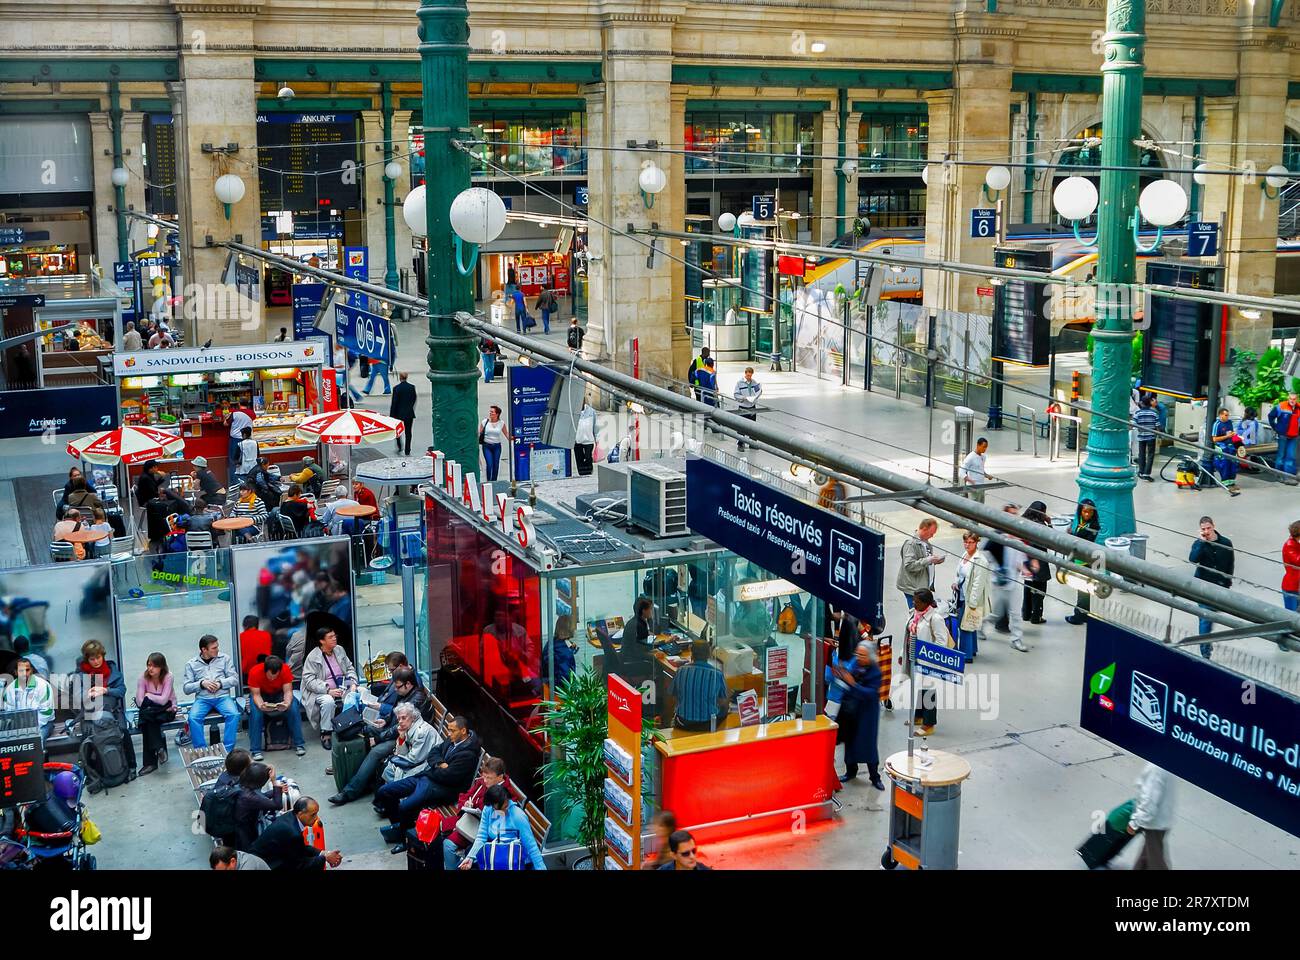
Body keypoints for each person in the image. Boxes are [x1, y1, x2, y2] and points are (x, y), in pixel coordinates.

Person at [329, 669, 433, 806]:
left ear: (408, 684)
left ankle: (350, 791)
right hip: (395, 729)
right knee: (363, 730)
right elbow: (395, 713)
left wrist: (378, 739)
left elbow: (400, 728)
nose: (395, 690)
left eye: (398, 686)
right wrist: (386, 720)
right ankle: (354, 774)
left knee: (376, 752)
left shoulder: (416, 699)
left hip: (406, 738)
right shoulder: (406, 693)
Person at [376, 715, 479, 831]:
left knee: (405, 807)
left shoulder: (468, 754)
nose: (449, 734)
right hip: (428, 778)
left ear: (463, 731)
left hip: (443, 788)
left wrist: (433, 768)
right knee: (385, 791)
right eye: (448, 730)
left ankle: (403, 835)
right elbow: (434, 752)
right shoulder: (453, 739)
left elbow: (449, 777)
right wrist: (439, 763)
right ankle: (397, 825)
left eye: (452, 731)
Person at [75, 640, 137, 775]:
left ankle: (131, 766)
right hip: (91, 712)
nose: (96, 661)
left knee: (122, 730)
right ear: (87, 659)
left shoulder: (112, 671)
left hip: (113, 712)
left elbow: (121, 690)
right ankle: (89, 772)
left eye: (98, 657)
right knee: (87, 736)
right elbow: (77, 696)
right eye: (92, 659)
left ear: (103, 656)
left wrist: (106, 690)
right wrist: (88, 693)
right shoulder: (81, 675)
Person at [440, 756, 511, 869]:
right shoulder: (483, 782)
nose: (485, 780)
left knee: (448, 845)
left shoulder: (507, 795)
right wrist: (466, 804)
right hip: (470, 821)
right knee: (439, 830)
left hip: (483, 832)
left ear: (500, 777)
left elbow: (498, 824)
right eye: (484, 776)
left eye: (489, 778)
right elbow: (466, 795)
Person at [980, 504, 1033, 653]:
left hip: (1015, 582)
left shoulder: (1018, 537)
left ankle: (1016, 639)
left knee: (1016, 613)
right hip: (999, 583)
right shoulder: (997, 536)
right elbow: (985, 555)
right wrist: (997, 567)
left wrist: (1026, 570)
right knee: (997, 613)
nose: (1014, 516)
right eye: (1011, 514)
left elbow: (1019, 560)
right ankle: (980, 626)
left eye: (1016, 514)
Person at [458, 783, 547, 869]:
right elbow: (481, 837)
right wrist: (470, 858)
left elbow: (531, 846)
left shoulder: (518, 816)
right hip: (498, 853)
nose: (505, 810)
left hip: (515, 859)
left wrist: (541, 868)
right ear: (492, 806)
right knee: (467, 857)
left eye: (506, 806)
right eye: (500, 808)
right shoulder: (488, 809)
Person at [835, 639, 884, 789]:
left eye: (862, 655)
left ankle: (875, 776)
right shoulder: (856, 664)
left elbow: (870, 694)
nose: (859, 658)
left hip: (867, 715)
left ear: (870, 657)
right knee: (850, 741)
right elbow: (848, 680)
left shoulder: (875, 672)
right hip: (852, 711)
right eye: (858, 654)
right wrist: (841, 676)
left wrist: (853, 684)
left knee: (868, 745)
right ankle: (851, 771)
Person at [905, 588, 952, 736]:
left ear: (926, 603)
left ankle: (929, 724)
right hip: (914, 657)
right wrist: (903, 654)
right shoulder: (914, 613)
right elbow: (908, 634)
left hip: (928, 661)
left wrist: (928, 654)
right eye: (914, 600)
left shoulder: (935, 618)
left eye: (917, 602)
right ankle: (919, 716)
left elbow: (941, 642)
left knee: (929, 690)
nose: (914, 603)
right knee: (920, 686)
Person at [249, 798, 343, 871]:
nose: (316, 818)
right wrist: (325, 858)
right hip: (264, 864)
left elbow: (299, 848)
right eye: (313, 815)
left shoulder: (291, 816)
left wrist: (323, 853)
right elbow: (298, 865)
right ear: (301, 813)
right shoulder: (292, 832)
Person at [182, 634, 241, 751]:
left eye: (217, 646)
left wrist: (220, 683)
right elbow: (186, 688)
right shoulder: (191, 664)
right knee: (193, 718)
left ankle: (227, 750)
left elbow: (235, 679)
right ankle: (201, 750)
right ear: (204, 649)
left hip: (222, 697)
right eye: (214, 648)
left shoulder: (224, 658)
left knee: (233, 714)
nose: (217, 650)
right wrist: (201, 684)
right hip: (203, 699)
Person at [302, 627, 357, 749]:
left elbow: (349, 668)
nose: (334, 638)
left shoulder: (339, 650)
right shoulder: (313, 657)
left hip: (342, 685)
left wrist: (352, 683)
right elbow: (309, 680)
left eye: (334, 636)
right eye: (330, 637)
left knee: (360, 692)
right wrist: (328, 690)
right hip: (320, 690)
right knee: (328, 701)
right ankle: (326, 733)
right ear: (322, 641)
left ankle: (353, 726)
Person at [1189, 515, 1234, 660]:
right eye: (1203, 529)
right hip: (1202, 586)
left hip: (1219, 586)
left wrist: (1227, 583)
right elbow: (1193, 559)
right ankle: (1205, 650)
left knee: (1210, 616)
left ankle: (1206, 641)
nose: (1206, 531)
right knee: (1205, 617)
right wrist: (1201, 543)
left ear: (1214, 526)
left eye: (1208, 528)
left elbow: (1230, 564)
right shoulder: (1198, 543)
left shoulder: (1226, 543)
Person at [247, 656, 307, 759]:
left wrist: (286, 704)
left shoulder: (285, 670)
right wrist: (261, 706)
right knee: (256, 714)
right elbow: (256, 695)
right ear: (265, 670)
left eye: (275, 676)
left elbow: (288, 691)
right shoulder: (255, 671)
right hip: (261, 694)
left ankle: (299, 744)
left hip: (279, 693)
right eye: (270, 676)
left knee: (293, 708)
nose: (273, 678)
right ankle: (255, 750)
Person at [671, 641, 729, 730]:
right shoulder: (717, 674)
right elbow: (723, 701)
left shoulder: (681, 670)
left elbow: (674, 696)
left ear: (692, 653)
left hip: (683, 722)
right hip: (707, 723)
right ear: (709, 654)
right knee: (725, 708)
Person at [1129, 763, 1176, 870]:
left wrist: (1135, 822)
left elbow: (1150, 802)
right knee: (1146, 856)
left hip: (1155, 823)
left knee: (1156, 860)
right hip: (1161, 821)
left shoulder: (1156, 770)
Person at [135, 652, 175, 773]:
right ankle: (159, 748)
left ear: (161, 666)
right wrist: (152, 699)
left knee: (145, 720)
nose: (150, 669)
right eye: (148, 665)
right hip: (151, 711)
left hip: (167, 709)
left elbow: (164, 701)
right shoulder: (143, 677)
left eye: (154, 666)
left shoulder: (168, 676)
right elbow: (139, 702)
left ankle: (150, 763)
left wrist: (148, 695)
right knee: (148, 719)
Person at [953, 531, 990, 661]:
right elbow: (960, 574)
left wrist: (972, 603)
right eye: (966, 542)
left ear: (976, 543)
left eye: (970, 542)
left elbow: (978, 584)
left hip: (971, 598)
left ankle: (965, 654)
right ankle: (972, 649)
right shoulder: (965, 555)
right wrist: (956, 583)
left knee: (965, 626)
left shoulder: (981, 561)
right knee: (970, 624)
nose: (967, 545)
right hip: (961, 595)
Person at [233, 761, 283, 851]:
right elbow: (277, 805)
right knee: (250, 851)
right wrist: (274, 782)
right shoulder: (249, 797)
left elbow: (260, 798)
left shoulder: (243, 786)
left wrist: (277, 791)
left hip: (241, 823)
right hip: (245, 830)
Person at [1064, 499, 1101, 625]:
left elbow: (1084, 541)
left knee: (1082, 589)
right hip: (1077, 560)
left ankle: (1079, 615)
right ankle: (1084, 613)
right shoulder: (1078, 522)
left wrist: (1072, 536)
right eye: (1085, 511)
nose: (1087, 514)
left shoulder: (1094, 526)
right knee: (1082, 589)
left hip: (1085, 562)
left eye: (1090, 512)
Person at [2, 656, 55, 742]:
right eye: (21, 671)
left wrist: (30, 729)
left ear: (32, 670)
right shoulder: (9, 689)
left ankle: (40, 755)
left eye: (27, 670)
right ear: (15, 672)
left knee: (37, 741)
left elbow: (47, 712)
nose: (25, 673)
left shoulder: (42, 685)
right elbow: (8, 713)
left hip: (43, 724)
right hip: (19, 726)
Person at [897, 518, 943, 609]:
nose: (932, 536)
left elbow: (925, 562)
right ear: (924, 529)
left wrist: (934, 561)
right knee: (916, 615)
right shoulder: (910, 544)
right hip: (913, 588)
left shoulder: (926, 544)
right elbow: (909, 566)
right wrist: (928, 560)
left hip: (923, 587)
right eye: (931, 533)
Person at [1020, 501, 1052, 624]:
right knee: (1039, 591)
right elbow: (1052, 540)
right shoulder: (1041, 526)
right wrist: (1049, 523)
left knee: (1027, 588)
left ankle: (1026, 613)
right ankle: (1036, 616)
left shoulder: (1024, 522)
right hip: (1039, 563)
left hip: (1026, 561)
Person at [1269, 392, 1300, 481]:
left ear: (1296, 399)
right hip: (1283, 435)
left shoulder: (1299, 408)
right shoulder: (1281, 406)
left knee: (1290, 456)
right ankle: (1278, 475)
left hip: (1294, 436)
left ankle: (1288, 476)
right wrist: (1275, 427)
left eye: (1294, 399)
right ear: (1288, 399)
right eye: (1290, 399)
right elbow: (1271, 416)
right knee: (1281, 455)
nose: (1292, 401)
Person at [1132, 393, 1161, 481]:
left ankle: (1141, 471)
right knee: (1151, 455)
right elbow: (1157, 426)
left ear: (1142, 403)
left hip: (1141, 437)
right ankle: (1146, 474)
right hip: (1151, 437)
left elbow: (1134, 424)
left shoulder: (1137, 413)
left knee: (1142, 454)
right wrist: (1158, 434)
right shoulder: (1154, 413)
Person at [479, 405, 512, 482]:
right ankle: (488, 481)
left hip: (497, 446)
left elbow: (506, 433)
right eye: (490, 411)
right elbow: (479, 433)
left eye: (492, 412)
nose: (490, 413)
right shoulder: (485, 422)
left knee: (496, 465)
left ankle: (494, 481)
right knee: (489, 464)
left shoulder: (501, 423)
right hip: (487, 446)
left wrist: (512, 440)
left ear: (497, 414)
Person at [733, 366, 762, 450]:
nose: (749, 377)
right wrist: (744, 398)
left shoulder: (754, 382)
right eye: (748, 376)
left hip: (752, 407)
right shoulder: (739, 383)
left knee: (753, 426)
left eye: (751, 376)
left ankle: (752, 443)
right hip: (743, 407)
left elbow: (758, 391)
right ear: (745, 374)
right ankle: (740, 444)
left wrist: (758, 393)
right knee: (741, 426)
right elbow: (736, 394)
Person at [1210, 407, 1240, 487]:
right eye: (1226, 415)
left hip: (1230, 445)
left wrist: (1235, 437)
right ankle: (1225, 480)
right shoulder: (1217, 424)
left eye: (1228, 415)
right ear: (1221, 415)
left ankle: (1231, 479)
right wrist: (1227, 436)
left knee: (1233, 462)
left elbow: (1231, 433)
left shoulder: (1229, 422)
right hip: (1221, 445)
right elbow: (1214, 439)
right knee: (1225, 463)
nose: (1227, 417)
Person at [389, 371, 417, 455]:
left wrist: (392, 415)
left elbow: (394, 402)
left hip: (398, 414)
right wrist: (410, 408)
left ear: (400, 378)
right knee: (408, 432)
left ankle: (400, 446)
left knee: (398, 431)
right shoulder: (412, 387)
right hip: (409, 413)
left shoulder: (396, 388)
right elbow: (414, 398)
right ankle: (407, 449)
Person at [238, 614, 272, 679]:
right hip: (265, 670)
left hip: (247, 672)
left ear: (245, 625)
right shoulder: (266, 635)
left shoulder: (240, 637)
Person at [959, 437, 991, 503]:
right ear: (978, 445)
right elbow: (961, 472)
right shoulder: (970, 457)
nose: (985, 449)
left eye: (986, 447)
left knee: (981, 506)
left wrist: (987, 475)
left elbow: (980, 470)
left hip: (982, 486)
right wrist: (971, 481)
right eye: (983, 447)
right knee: (973, 507)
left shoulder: (983, 457)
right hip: (973, 488)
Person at [226, 406, 253, 472]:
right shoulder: (252, 413)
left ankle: (235, 481)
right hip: (248, 439)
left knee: (233, 460)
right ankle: (246, 479)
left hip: (235, 439)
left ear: (239, 404)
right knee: (247, 460)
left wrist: (226, 417)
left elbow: (226, 423)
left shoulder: (235, 413)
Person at [573, 400, 597, 476]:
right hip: (577, 440)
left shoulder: (591, 411)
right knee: (579, 457)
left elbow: (595, 426)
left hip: (589, 440)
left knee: (588, 456)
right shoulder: (573, 411)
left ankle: (589, 470)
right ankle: (582, 473)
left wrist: (597, 439)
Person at [1282, 520, 1300, 612]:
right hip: (1292, 587)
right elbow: (1297, 561)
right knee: (1292, 614)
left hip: (1297, 585)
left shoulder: (1297, 544)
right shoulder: (1290, 545)